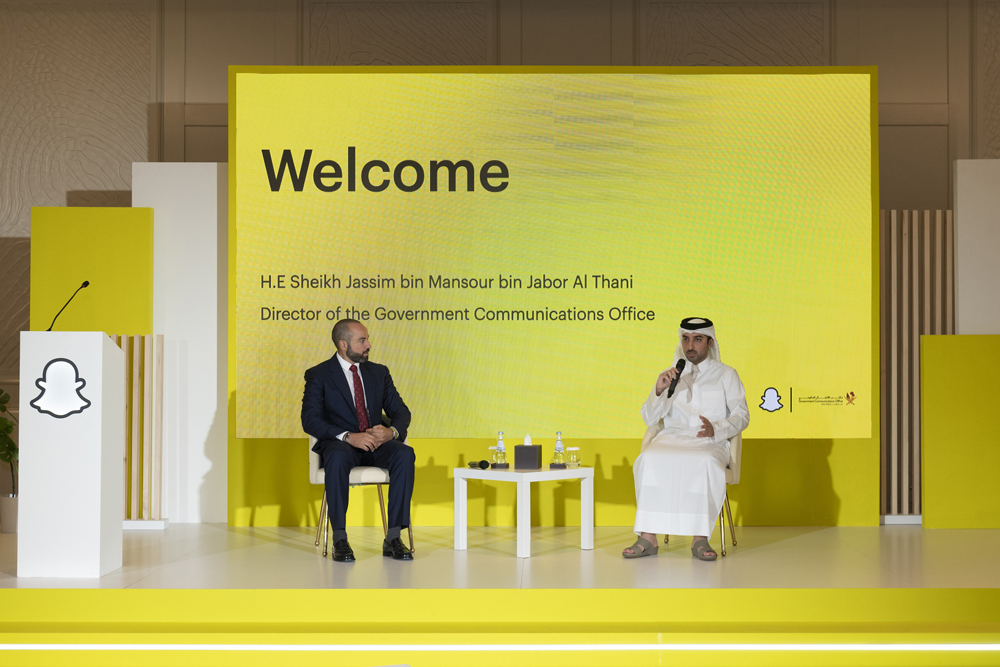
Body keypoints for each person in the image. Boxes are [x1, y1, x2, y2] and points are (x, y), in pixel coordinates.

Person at [623, 317, 749, 561]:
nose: (690, 345)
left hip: (709, 442)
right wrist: (659, 390)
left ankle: (700, 538)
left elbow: (742, 415)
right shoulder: (671, 375)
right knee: (648, 459)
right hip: (672, 438)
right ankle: (648, 537)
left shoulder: (726, 374)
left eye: (697, 339)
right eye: (686, 339)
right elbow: (650, 417)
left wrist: (718, 428)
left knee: (703, 463)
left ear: (710, 342)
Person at [301, 319, 414, 562]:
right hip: (342, 445)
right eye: (362, 341)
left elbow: (401, 410)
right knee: (338, 455)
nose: (368, 345)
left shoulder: (378, 372)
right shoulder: (319, 375)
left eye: (367, 339)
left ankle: (393, 536)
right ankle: (340, 538)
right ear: (343, 344)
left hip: (376, 444)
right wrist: (348, 437)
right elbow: (310, 420)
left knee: (405, 454)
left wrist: (391, 432)